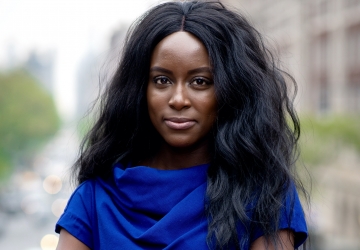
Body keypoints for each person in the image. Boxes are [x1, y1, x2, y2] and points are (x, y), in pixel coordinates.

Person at [55, 1, 308, 249]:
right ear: (141, 89)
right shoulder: (93, 199)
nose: (178, 100)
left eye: (200, 82)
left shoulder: (266, 196)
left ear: (231, 91)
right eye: (162, 80)